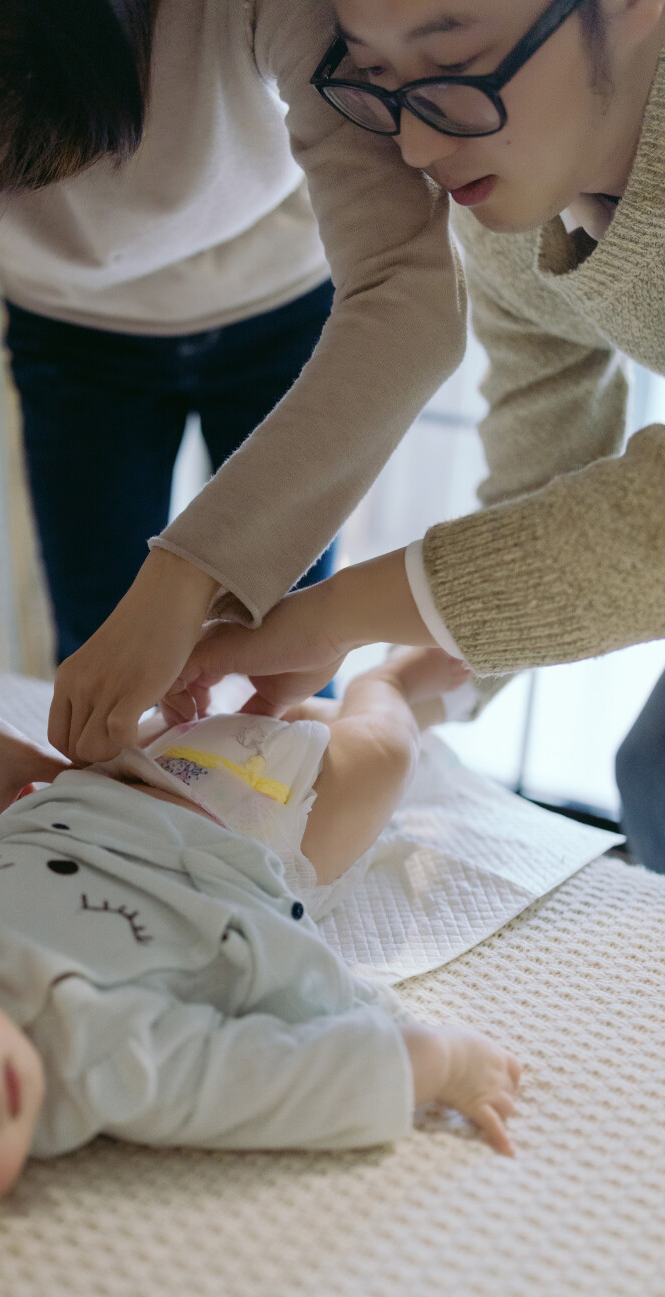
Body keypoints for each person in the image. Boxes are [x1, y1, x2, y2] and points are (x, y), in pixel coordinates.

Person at [0, 0, 466, 843]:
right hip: (75, 341)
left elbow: (415, 303)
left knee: (282, 661)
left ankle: (390, 692)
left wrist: (187, 578)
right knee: (103, 669)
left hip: (286, 301)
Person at [0, 647, 520, 1255]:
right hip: (260, 841)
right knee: (376, 757)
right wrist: (436, 1065)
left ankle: (331, 689)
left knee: (256, 692)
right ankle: (394, 685)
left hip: (126, 772)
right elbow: (272, 1079)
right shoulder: (96, 1062)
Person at [114, 0, 665, 872]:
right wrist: (401, 683)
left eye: (452, 65)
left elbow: (649, 529)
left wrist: (335, 615)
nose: (414, 147)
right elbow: (550, 463)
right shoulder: (516, 218)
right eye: (374, 78)